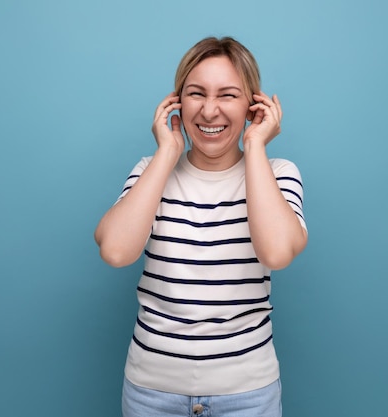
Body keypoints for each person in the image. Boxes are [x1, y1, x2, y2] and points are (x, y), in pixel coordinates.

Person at [94, 36, 307, 417]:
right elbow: (114, 251)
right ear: (177, 102)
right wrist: (167, 152)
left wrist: (255, 145)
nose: (210, 111)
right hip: (150, 394)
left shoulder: (278, 174)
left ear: (252, 105)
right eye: (196, 94)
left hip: (248, 395)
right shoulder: (150, 171)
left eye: (228, 95)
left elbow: (276, 252)